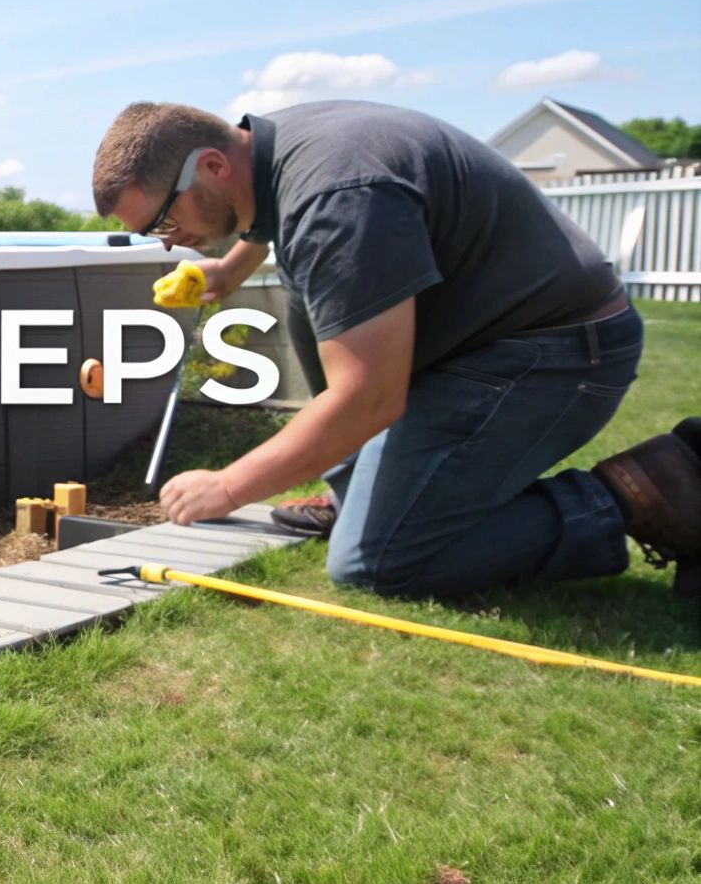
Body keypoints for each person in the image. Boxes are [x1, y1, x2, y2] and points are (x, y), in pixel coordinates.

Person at [90, 100, 701, 598]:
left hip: (553, 354)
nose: (166, 243)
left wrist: (228, 487)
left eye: (162, 221)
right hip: (488, 335)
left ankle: (641, 490)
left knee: (378, 560)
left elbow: (370, 399)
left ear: (213, 166)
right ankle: (359, 491)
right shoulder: (273, 149)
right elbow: (273, 213)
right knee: (314, 287)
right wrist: (229, 269)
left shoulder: (338, 199)